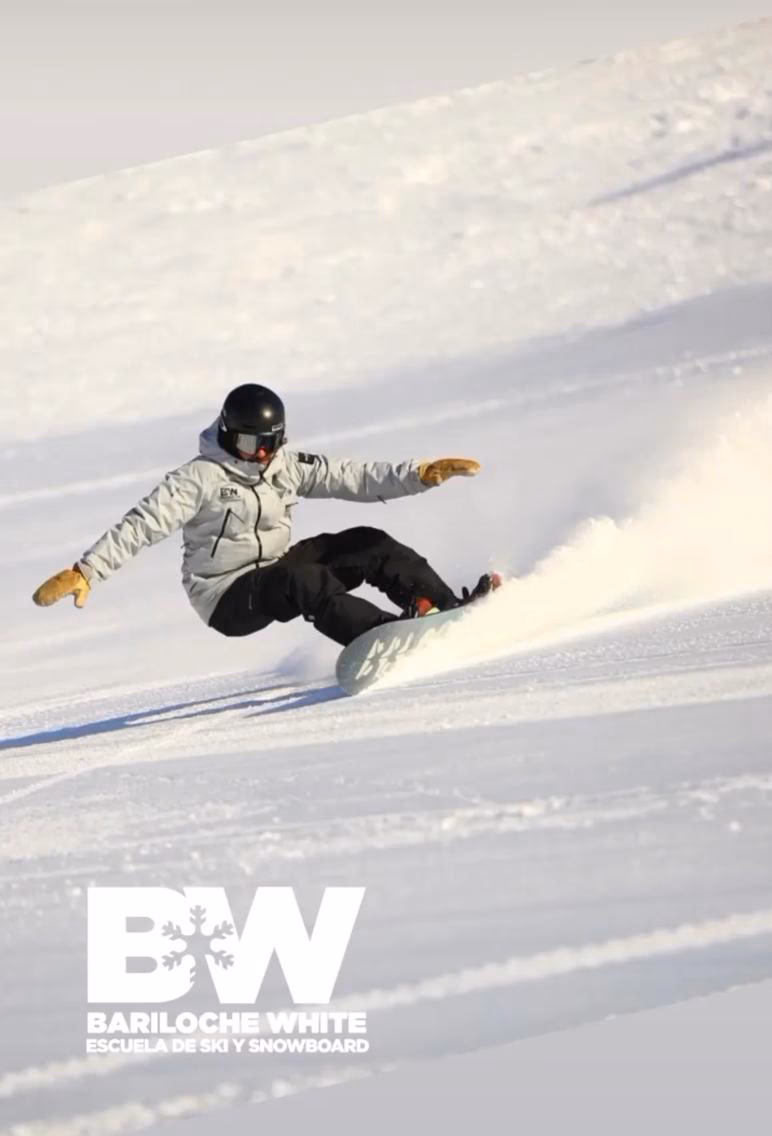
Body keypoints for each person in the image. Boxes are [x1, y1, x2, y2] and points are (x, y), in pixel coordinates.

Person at [32, 384, 494, 647]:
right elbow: (141, 524)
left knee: (366, 542)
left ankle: (442, 608)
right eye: (255, 445)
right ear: (232, 436)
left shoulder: (283, 464)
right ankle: (382, 638)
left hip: (272, 570)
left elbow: (355, 477)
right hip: (227, 597)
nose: (265, 455)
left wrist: (419, 474)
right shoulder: (199, 478)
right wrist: (87, 571)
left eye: (273, 442)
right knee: (303, 582)